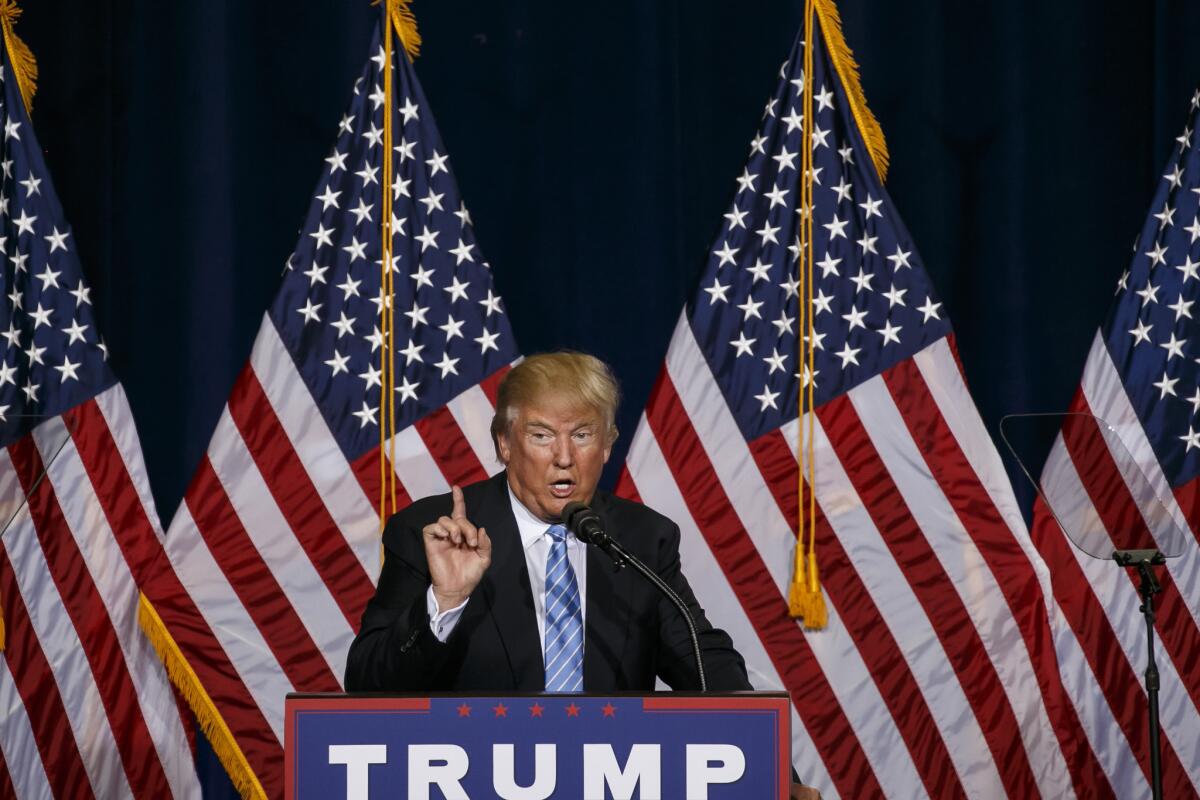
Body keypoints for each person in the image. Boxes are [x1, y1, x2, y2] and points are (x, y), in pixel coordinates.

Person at [345, 351, 820, 799]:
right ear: (504, 444)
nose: (564, 457)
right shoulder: (437, 532)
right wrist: (445, 602)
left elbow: (704, 662)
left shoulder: (641, 538)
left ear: (608, 445)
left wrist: (773, 771)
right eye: (541, 435)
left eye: (583, 434)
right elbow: (367, 685)